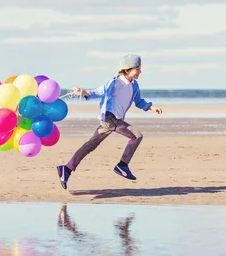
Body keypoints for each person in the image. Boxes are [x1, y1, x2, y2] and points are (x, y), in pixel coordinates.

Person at [56, 53, 162, 189]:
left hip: (113, 120)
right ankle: (122, 165)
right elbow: (96, 93)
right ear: (128, 69)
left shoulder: (134, 86)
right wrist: (82, 92)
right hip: (109, 118)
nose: (140, 71)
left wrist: (151, 107)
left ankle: (66, 169)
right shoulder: (113, 83)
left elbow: (139, 101)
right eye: (138, 68)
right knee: (136, 136)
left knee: (90, 145)